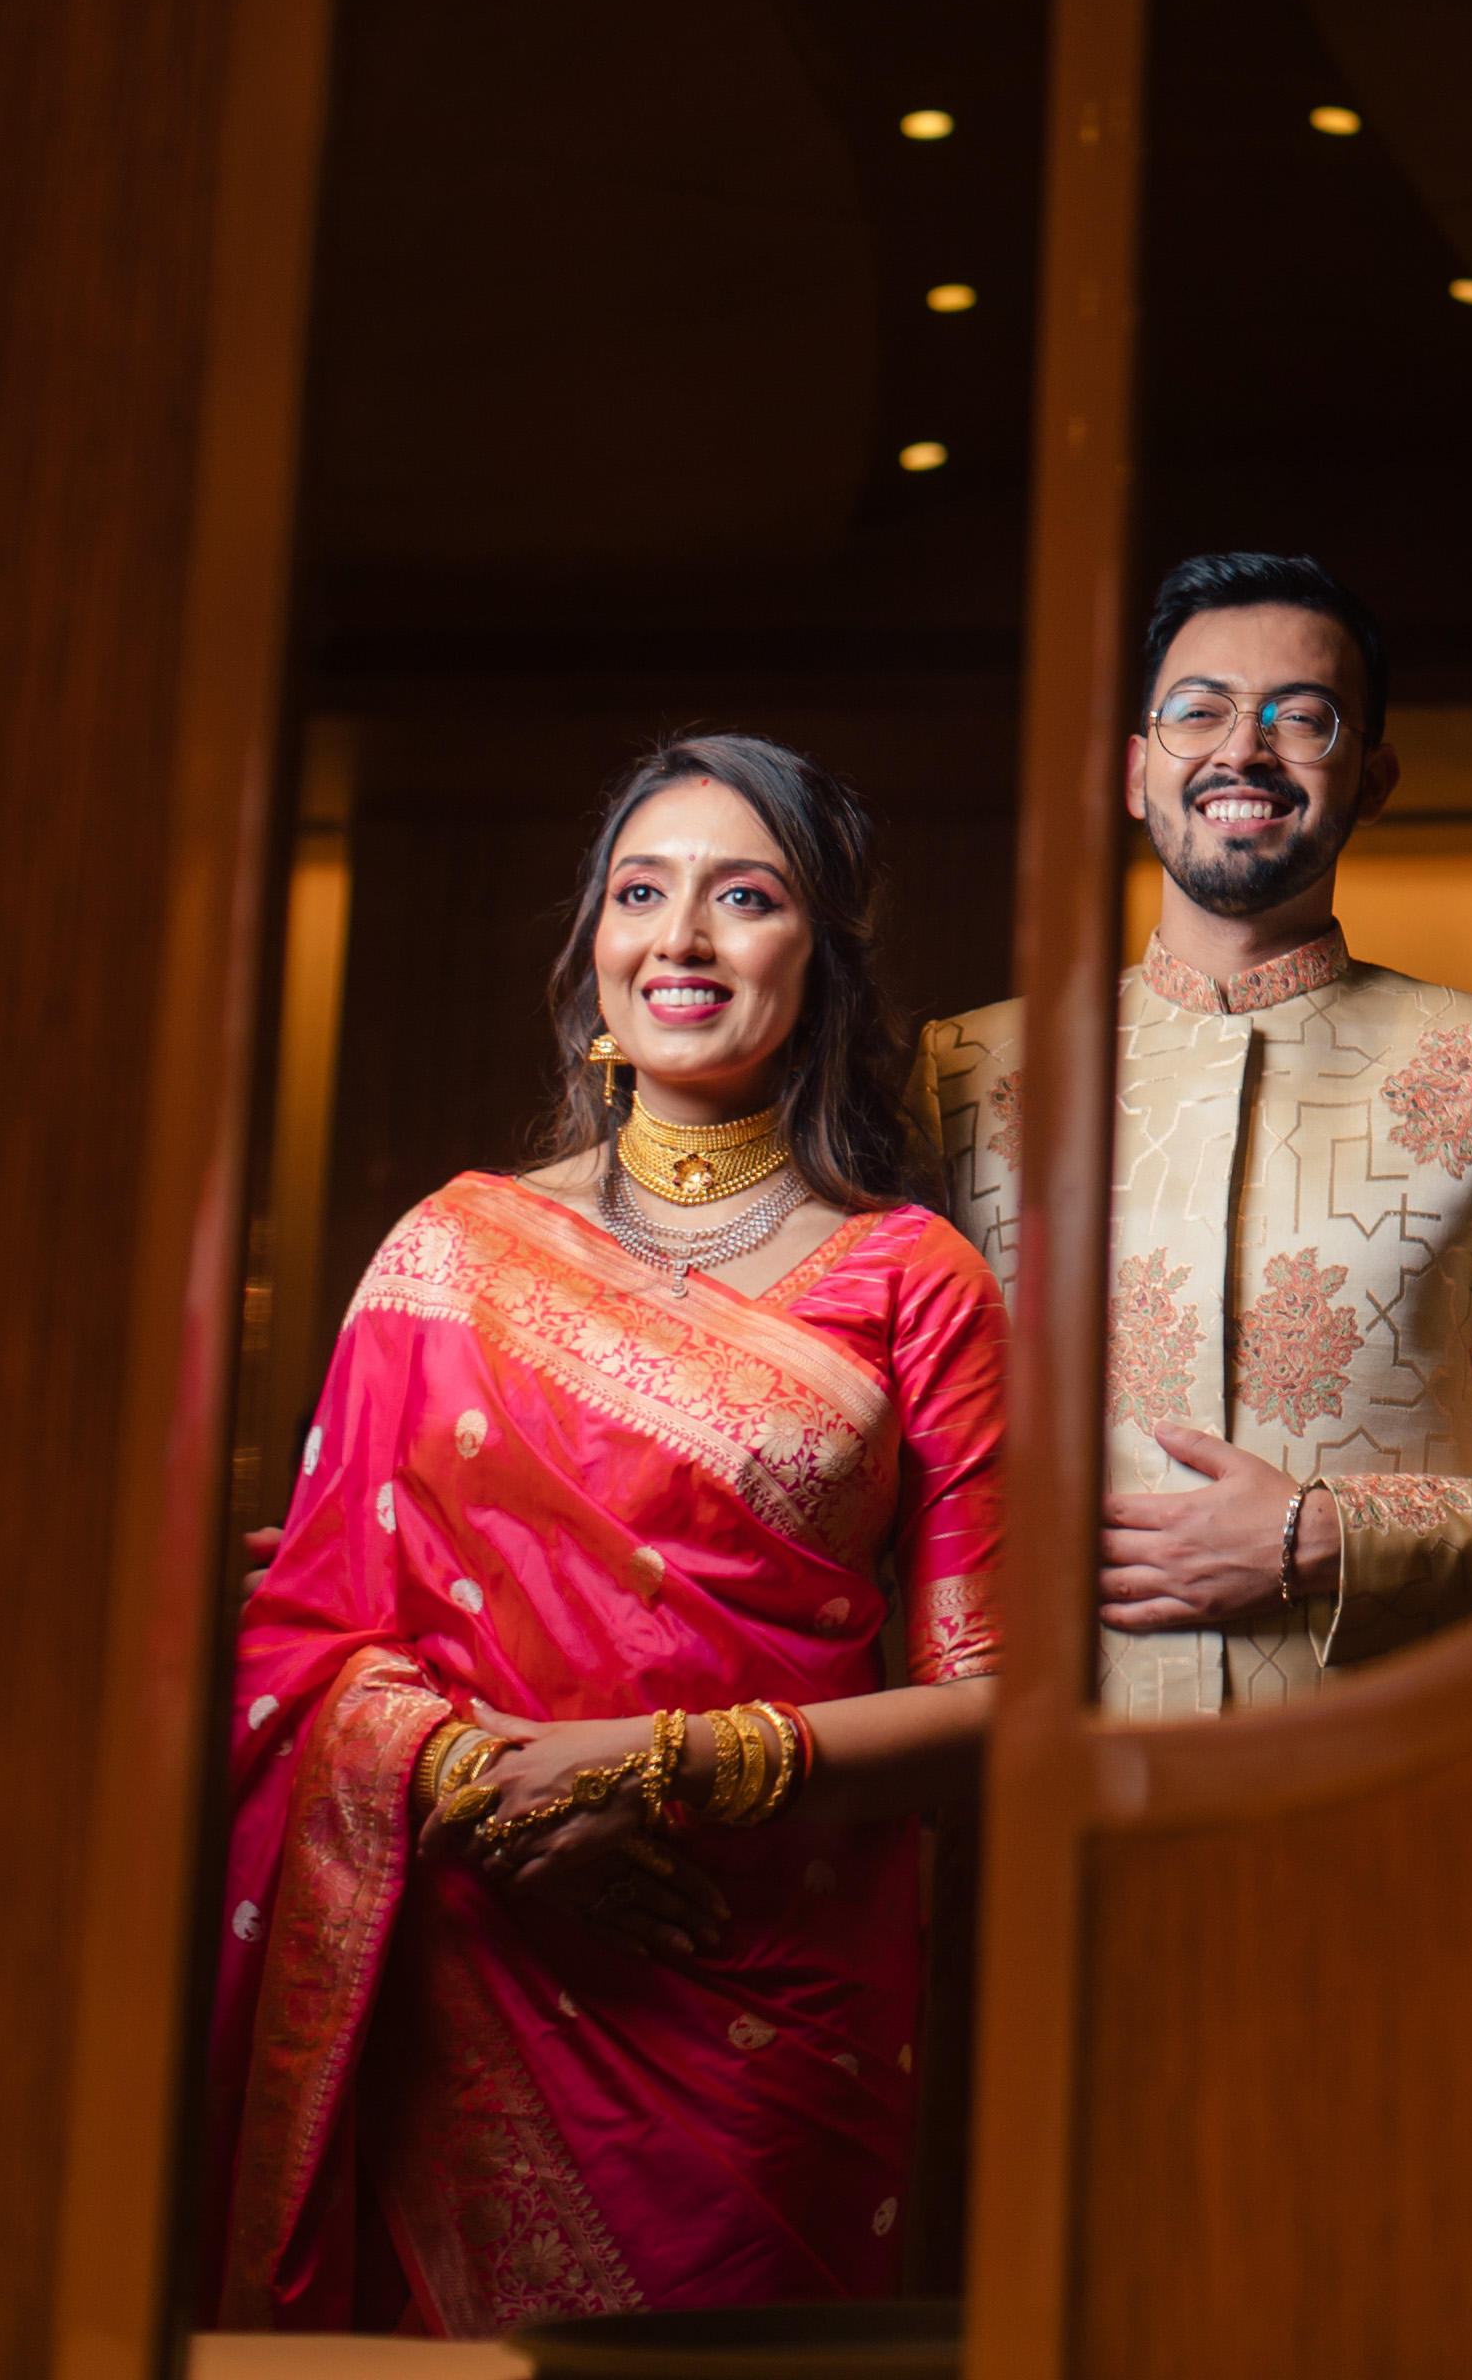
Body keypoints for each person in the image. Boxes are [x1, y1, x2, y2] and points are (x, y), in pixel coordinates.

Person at [199, 735, 1004, 2338]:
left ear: (824, 960)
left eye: (746, 896)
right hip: (467, 1965)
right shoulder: (451, 1250)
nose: (682, 937)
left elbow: (1009, 1699)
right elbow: (300, 1641)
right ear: (591, 962)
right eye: (642, 894)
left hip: (768, 2007)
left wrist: (663, 1771)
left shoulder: (916, 1280)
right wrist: (479, 1785)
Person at [925, 550, 1472, 1718]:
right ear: (1136, 771)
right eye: (1200, 711)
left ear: (1372, 779)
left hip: (1371, 1795)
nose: (1244, 750)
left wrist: (1329, 1533)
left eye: (1303, 718)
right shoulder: (967, 1075)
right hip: (1032, 1792)